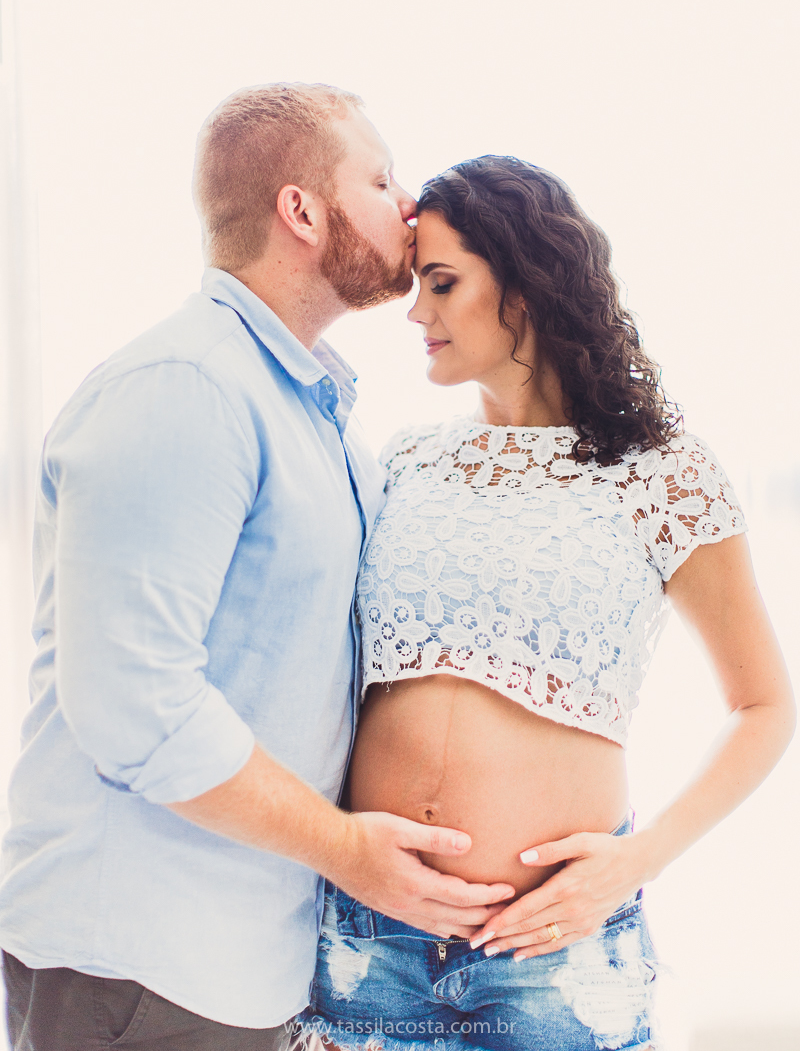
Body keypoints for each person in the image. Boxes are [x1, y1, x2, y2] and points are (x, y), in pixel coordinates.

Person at [0, 86, 517, 1051]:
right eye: (380, 179)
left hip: (238, 967)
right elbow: (135, 704)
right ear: (302, 211)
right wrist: (349, 850)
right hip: (137, 970)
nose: (409, 203)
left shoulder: (318, 420)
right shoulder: (187, 388)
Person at [300, 156, 796, 1051]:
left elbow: (763, 706)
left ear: (525, 287)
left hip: (552, 958)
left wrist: (638, 862)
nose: (417, 313)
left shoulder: (662, 474)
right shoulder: (406, 460)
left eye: (442, 283)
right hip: (375, 940)